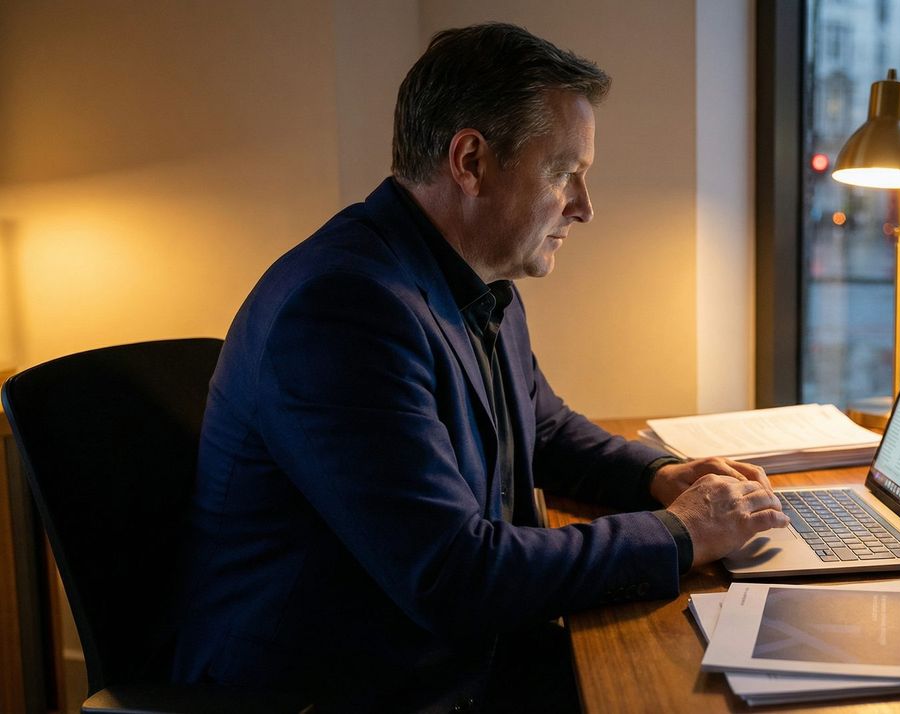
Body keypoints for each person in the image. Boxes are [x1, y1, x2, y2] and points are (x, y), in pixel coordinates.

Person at [170, 22, 787, 713]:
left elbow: (542, 428)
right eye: (564, 173)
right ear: (470, 162)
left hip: (458, 659)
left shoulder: (473, 278)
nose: (584, 207)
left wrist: (659, 474)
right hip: (353, 691)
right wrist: (680, 532)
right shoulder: (342, 310)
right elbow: (453, 575)